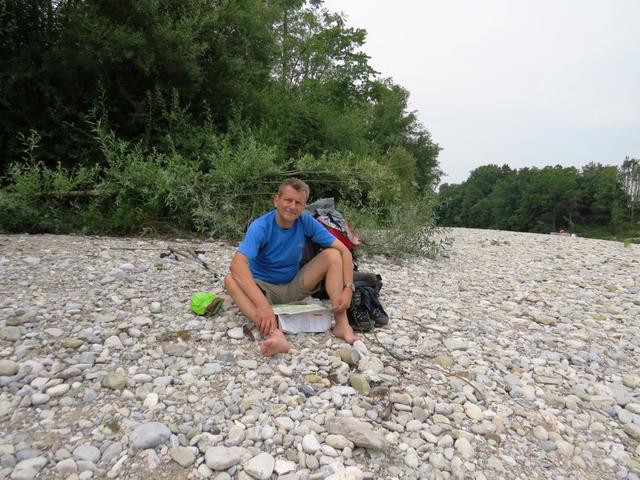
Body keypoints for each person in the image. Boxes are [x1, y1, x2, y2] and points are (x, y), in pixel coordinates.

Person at [225, 178, 358, 357]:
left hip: (293, 284)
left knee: (333, 255)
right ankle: (274, 334)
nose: (292, 206)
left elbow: (345, 251)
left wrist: (348, 288)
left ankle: (342, 324)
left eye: (298, 203)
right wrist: (263, 306)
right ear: (276, 200)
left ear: (304, 207)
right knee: (230, 279)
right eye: (288, 200)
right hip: (264, 289)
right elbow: (237, 264)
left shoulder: (305, 221)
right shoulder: (261, 226)